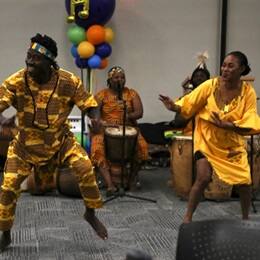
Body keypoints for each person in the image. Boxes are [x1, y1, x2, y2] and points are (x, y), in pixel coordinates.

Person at [0, 33, 108, 252]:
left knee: (84, 166)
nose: (29, 61)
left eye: (35, 58)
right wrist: (2, 118)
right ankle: (6, 233)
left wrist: (95, 117)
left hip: (59, 142)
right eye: (28, 56)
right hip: (24, 146)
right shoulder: (17, 81)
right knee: (8, 187)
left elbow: (89, 103)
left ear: (49, 62)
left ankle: (90, 213)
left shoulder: (68, 81)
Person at [159, 51, 260, 223]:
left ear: (242, 69)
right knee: (203, 177)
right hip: (207, 138)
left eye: (230, 66)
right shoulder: (210, 85)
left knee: (244, 182)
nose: (225, 69)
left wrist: (229, 125)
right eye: (224, 65)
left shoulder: (248, 92)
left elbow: (250, 117)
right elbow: (189, 102)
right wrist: (173, 106)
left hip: (231, 143)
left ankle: (245, 219)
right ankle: (187, 218)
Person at [91, 66, 148, 196]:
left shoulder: (131, 93)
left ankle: (131, 179)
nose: (120, 80)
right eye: (116, 77)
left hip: (129, 128)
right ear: (109, 80)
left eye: (122, 77)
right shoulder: (101, 95)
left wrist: (129, 116)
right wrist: (100, 122)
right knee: (97, 146)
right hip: (106, 129)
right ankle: (110, 184)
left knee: (143, 147)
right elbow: (94, 112)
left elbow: (139, 112)